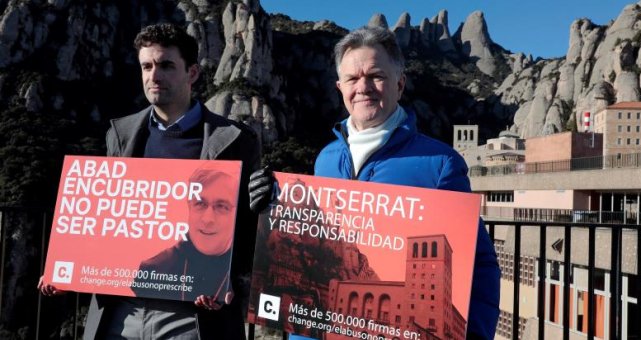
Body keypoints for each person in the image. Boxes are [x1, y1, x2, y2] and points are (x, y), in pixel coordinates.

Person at [250, 26, 500, 340]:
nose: (364, 87)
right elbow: (312, 246)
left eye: (376, 75)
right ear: (340, 87)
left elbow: (480, 264)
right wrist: (271, 206)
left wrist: (475, 333)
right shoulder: (325, 158)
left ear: (400, 83)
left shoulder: (440, 164)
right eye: (353, 79)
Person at [40, 23, 260, 339]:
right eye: (147, 66)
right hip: (121, 311)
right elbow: (104, 217)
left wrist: (226, 282)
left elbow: (247, 228)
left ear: (193, 73)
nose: (154, 76)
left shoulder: (236, 141)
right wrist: (67, 270)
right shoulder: (120, 134)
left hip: (191, 317)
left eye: (166, 65)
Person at [131, 168, 239, 303]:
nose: (208, 218)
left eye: (222, 206)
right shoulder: (155, 268)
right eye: (200, 203)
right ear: (189, 207)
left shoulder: (244, 268)